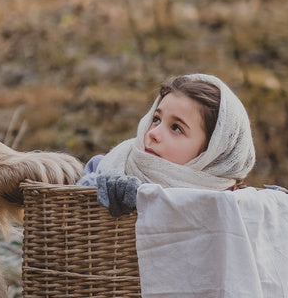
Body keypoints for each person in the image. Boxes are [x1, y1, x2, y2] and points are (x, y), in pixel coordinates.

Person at [78, 73, 256, 216]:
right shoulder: (106, 167)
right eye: (156, 119)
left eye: (176, 128)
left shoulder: (230, 209)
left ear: (212, 153)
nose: (153, 134)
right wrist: (94, 189)